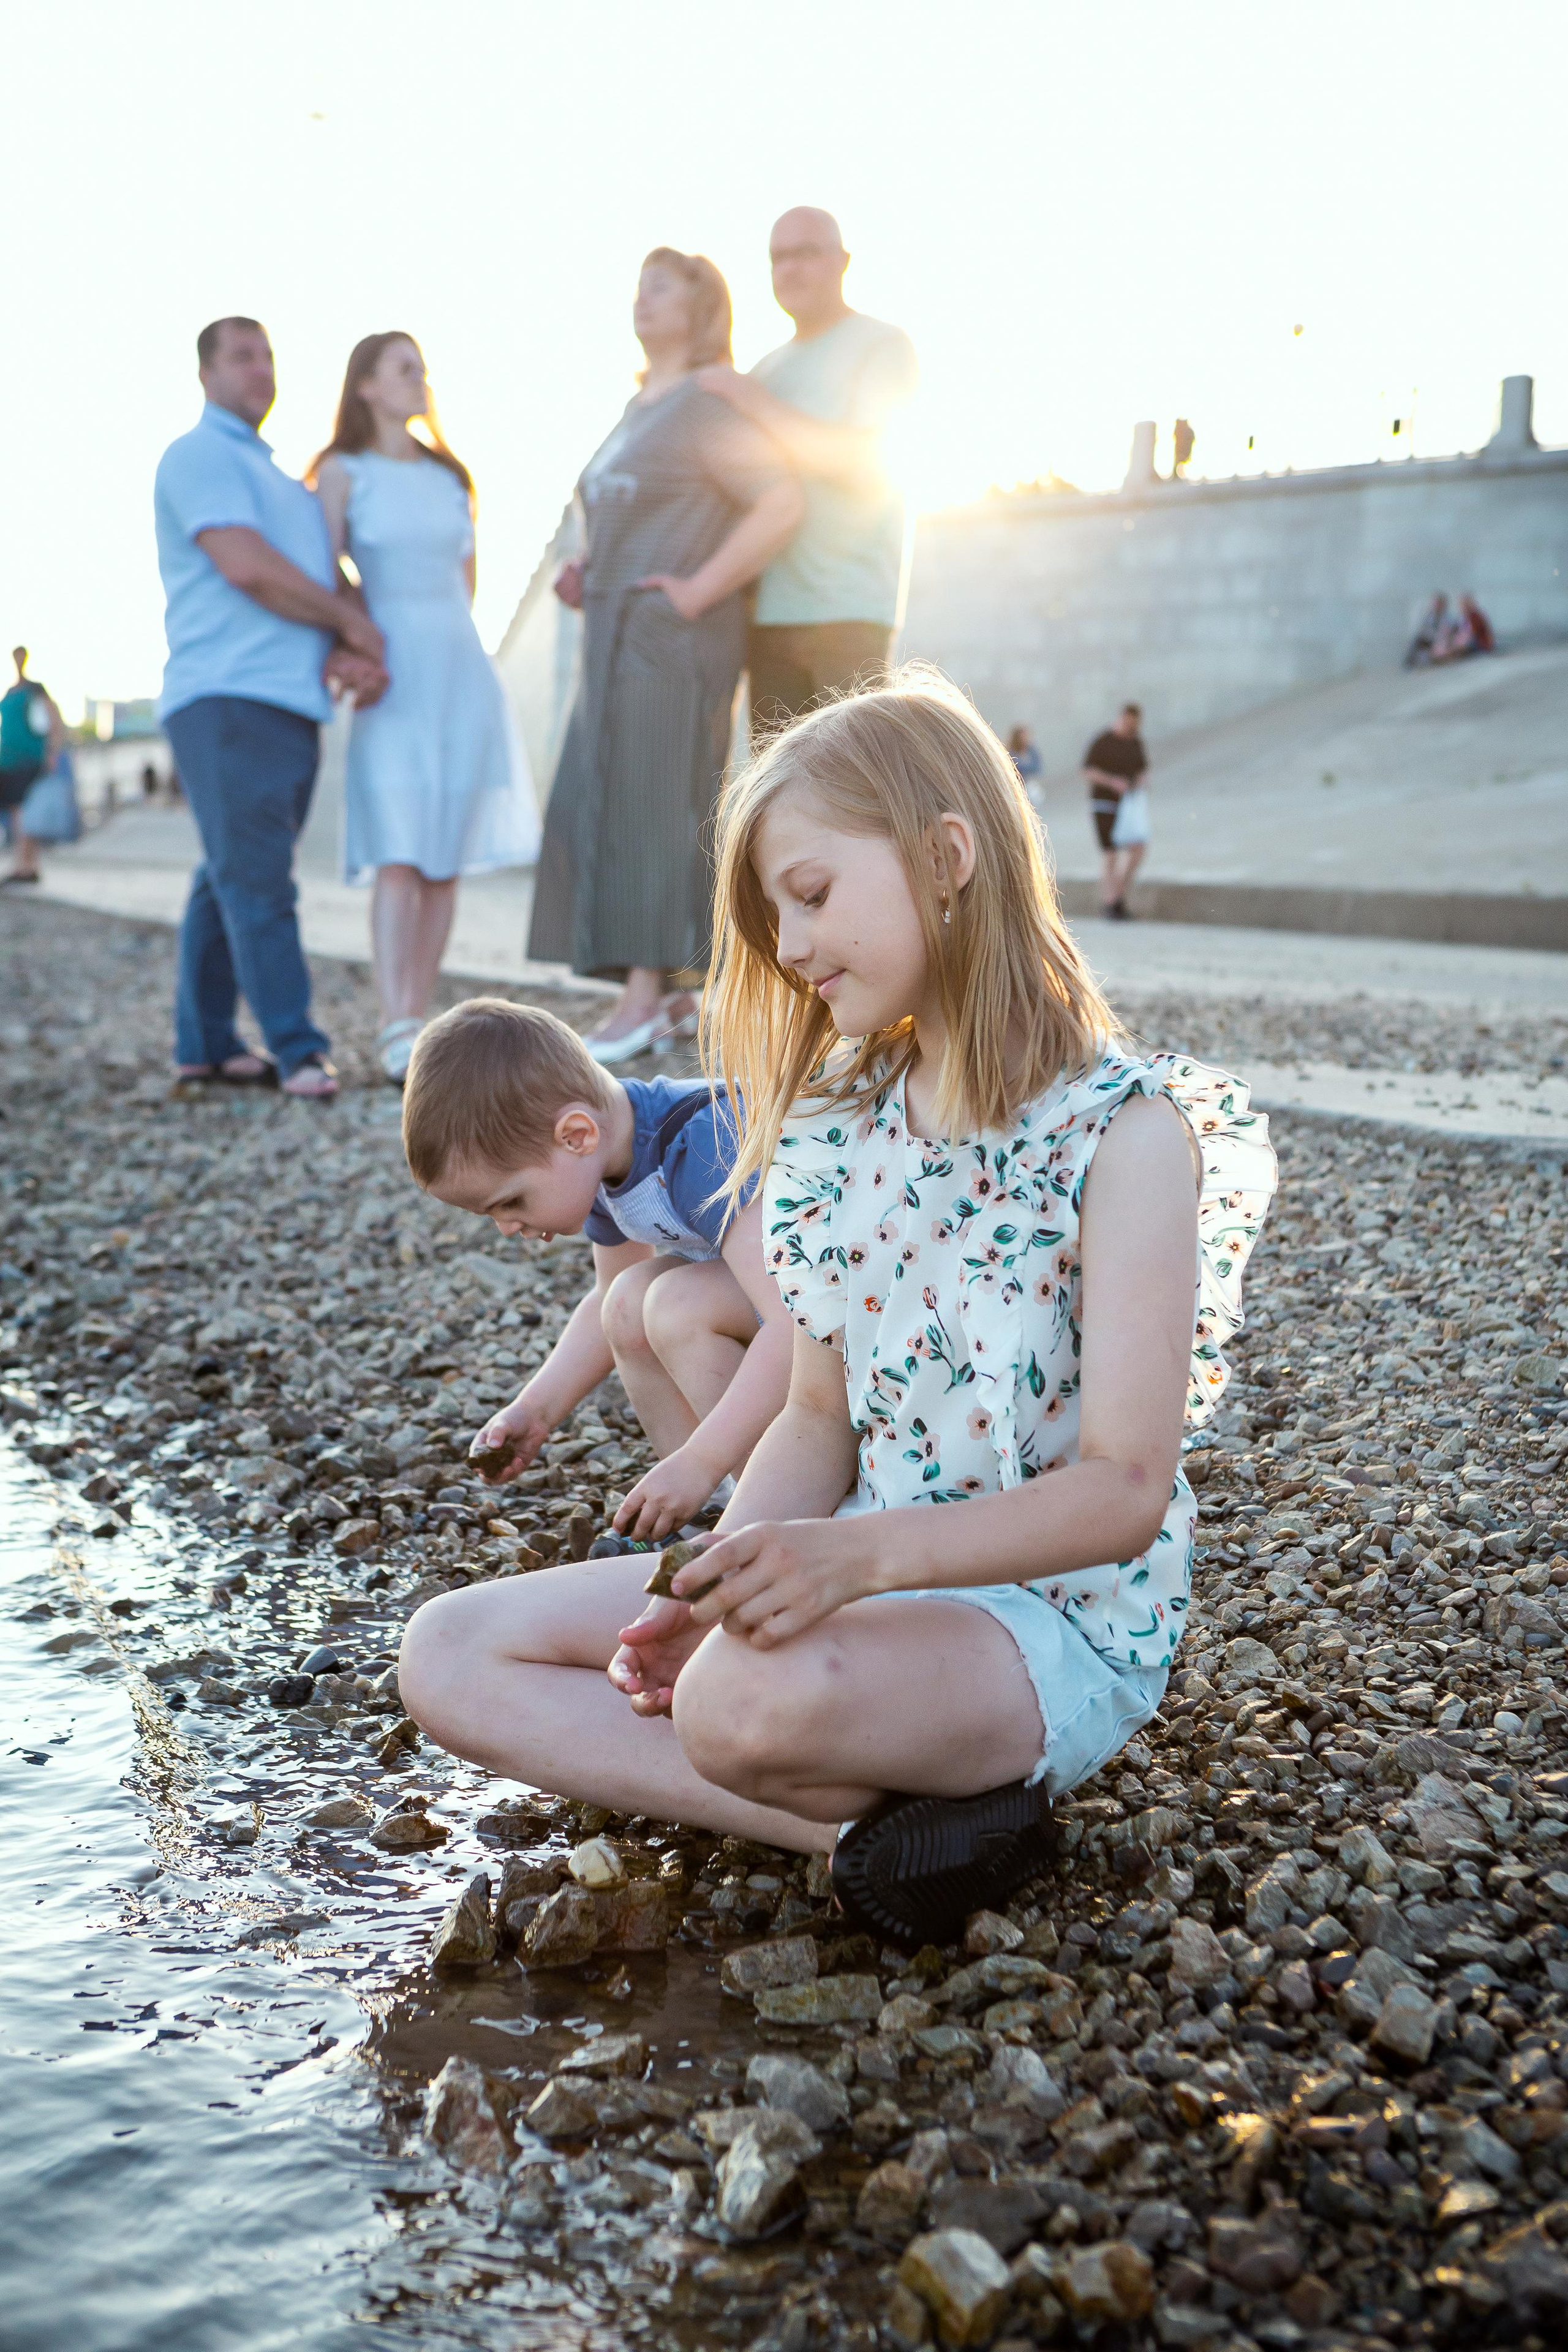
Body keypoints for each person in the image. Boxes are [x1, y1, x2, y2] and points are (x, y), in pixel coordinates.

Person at [397, 673, 1276, 1947]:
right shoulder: (826, 1129)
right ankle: (886, 1836)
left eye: (809, 896)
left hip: (1042, 1616)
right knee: (447, 1653)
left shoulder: (1121, 1135)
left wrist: (848, 1564)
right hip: (856, 1560)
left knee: (730, 1708)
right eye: (773, 920)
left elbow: (1124, 1490)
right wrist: (710, 1580)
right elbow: (813, 1417)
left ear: (944, 857)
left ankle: (901, 1766)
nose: (791, 948)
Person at [528, 251, 804, 1065]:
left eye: (662, 287)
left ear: (703, 307)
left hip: (670, 645)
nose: (642, 300)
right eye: (639, 287)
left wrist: (697, 589)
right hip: (610, 644)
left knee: (652, 803)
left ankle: (642, 998)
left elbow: (782, 499)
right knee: (605, 800)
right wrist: (590, 570)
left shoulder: (703, 402)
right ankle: (678, 990)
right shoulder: (634, 407)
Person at [401, 997, 793, 1547]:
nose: (507, 1228)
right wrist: (536, 1411)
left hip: (860, 1313)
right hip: (788, 1318)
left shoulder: (701, 1146)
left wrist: (701, 1459)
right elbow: (610, 1306)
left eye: (510, 1202)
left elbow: (796, 1319)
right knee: (630, 1301)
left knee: (676, 1304)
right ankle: (708, 1509)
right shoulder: (607, 1166)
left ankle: (778, 1509)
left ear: (577, 1135)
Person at [154, 316, 389, 1098]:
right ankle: (298, 1049)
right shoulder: (201, 457)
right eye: (242, 356)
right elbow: (247, 568)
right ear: (205, 372)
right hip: (227, 696)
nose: (261, 370)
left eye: (268, 357)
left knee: (228, 874)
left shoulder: (284, 482)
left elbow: (320, 586)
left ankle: (205, 1044)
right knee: (258, 883)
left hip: (286, 702)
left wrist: (350, 640)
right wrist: (351, 622)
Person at [312, 334, 539, 1085]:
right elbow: (324, 574)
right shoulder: (342, 473)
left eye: (421, 369)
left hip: (458, 670)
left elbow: (465, 585)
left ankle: (421, 1017)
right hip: (393, 671)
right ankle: (394, 1020)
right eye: (404, 369)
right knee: (401, 851)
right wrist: (354, 643)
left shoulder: (451, 476)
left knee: (443, 856)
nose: (420, 380)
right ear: (367, 386)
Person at [696, 208, 918, 734]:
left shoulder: (883, 344)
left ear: (843, 262)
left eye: (807, 253)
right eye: (778, 257)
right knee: (779, 799)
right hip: (770, 619)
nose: (790, 268)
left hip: (849, 613)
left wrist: (751, 400)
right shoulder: (766, 369)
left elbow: (861, 462)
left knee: (854, 793)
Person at [0, 647, 63, 887]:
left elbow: (53, 717)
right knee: (18, 812)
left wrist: (53, 751)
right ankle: (25, 865)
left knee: (24, 811)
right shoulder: (10, 691)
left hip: (28, 758)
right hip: (7, 759)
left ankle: (26, 866)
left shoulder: (35, 689)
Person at [1083, 701, 1150, 918]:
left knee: (1137, 850)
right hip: (1104, 803)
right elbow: (1088, 770)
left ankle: (1118, 896)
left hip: (1128, 805)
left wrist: (1137, 784)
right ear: (1122, 718)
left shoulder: (1136, 742)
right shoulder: (1104, 741)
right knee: (1110, 853)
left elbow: (1144, 770)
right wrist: (1112, 782)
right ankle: (1110, 901)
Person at [1403, 592, 1447, 669]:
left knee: (1421, 642)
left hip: (1441, 640)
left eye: (1439, 604)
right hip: (1431, 639)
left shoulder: (1449, 617)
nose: (1436, 606)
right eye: (1435, 604)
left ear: (1443, 605)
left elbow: (1447, 631)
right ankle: (1409, 662)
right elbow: (1425, 629)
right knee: (1417, 640)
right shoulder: (1430, 616)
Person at [1006, 723, 1041, 787]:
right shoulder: (1011, 753)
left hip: (1030, 783)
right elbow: (1015, 768)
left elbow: (1037, 767)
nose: (1024, 739)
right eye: (1022, 737)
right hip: (1016, 784)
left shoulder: (1031, 751)